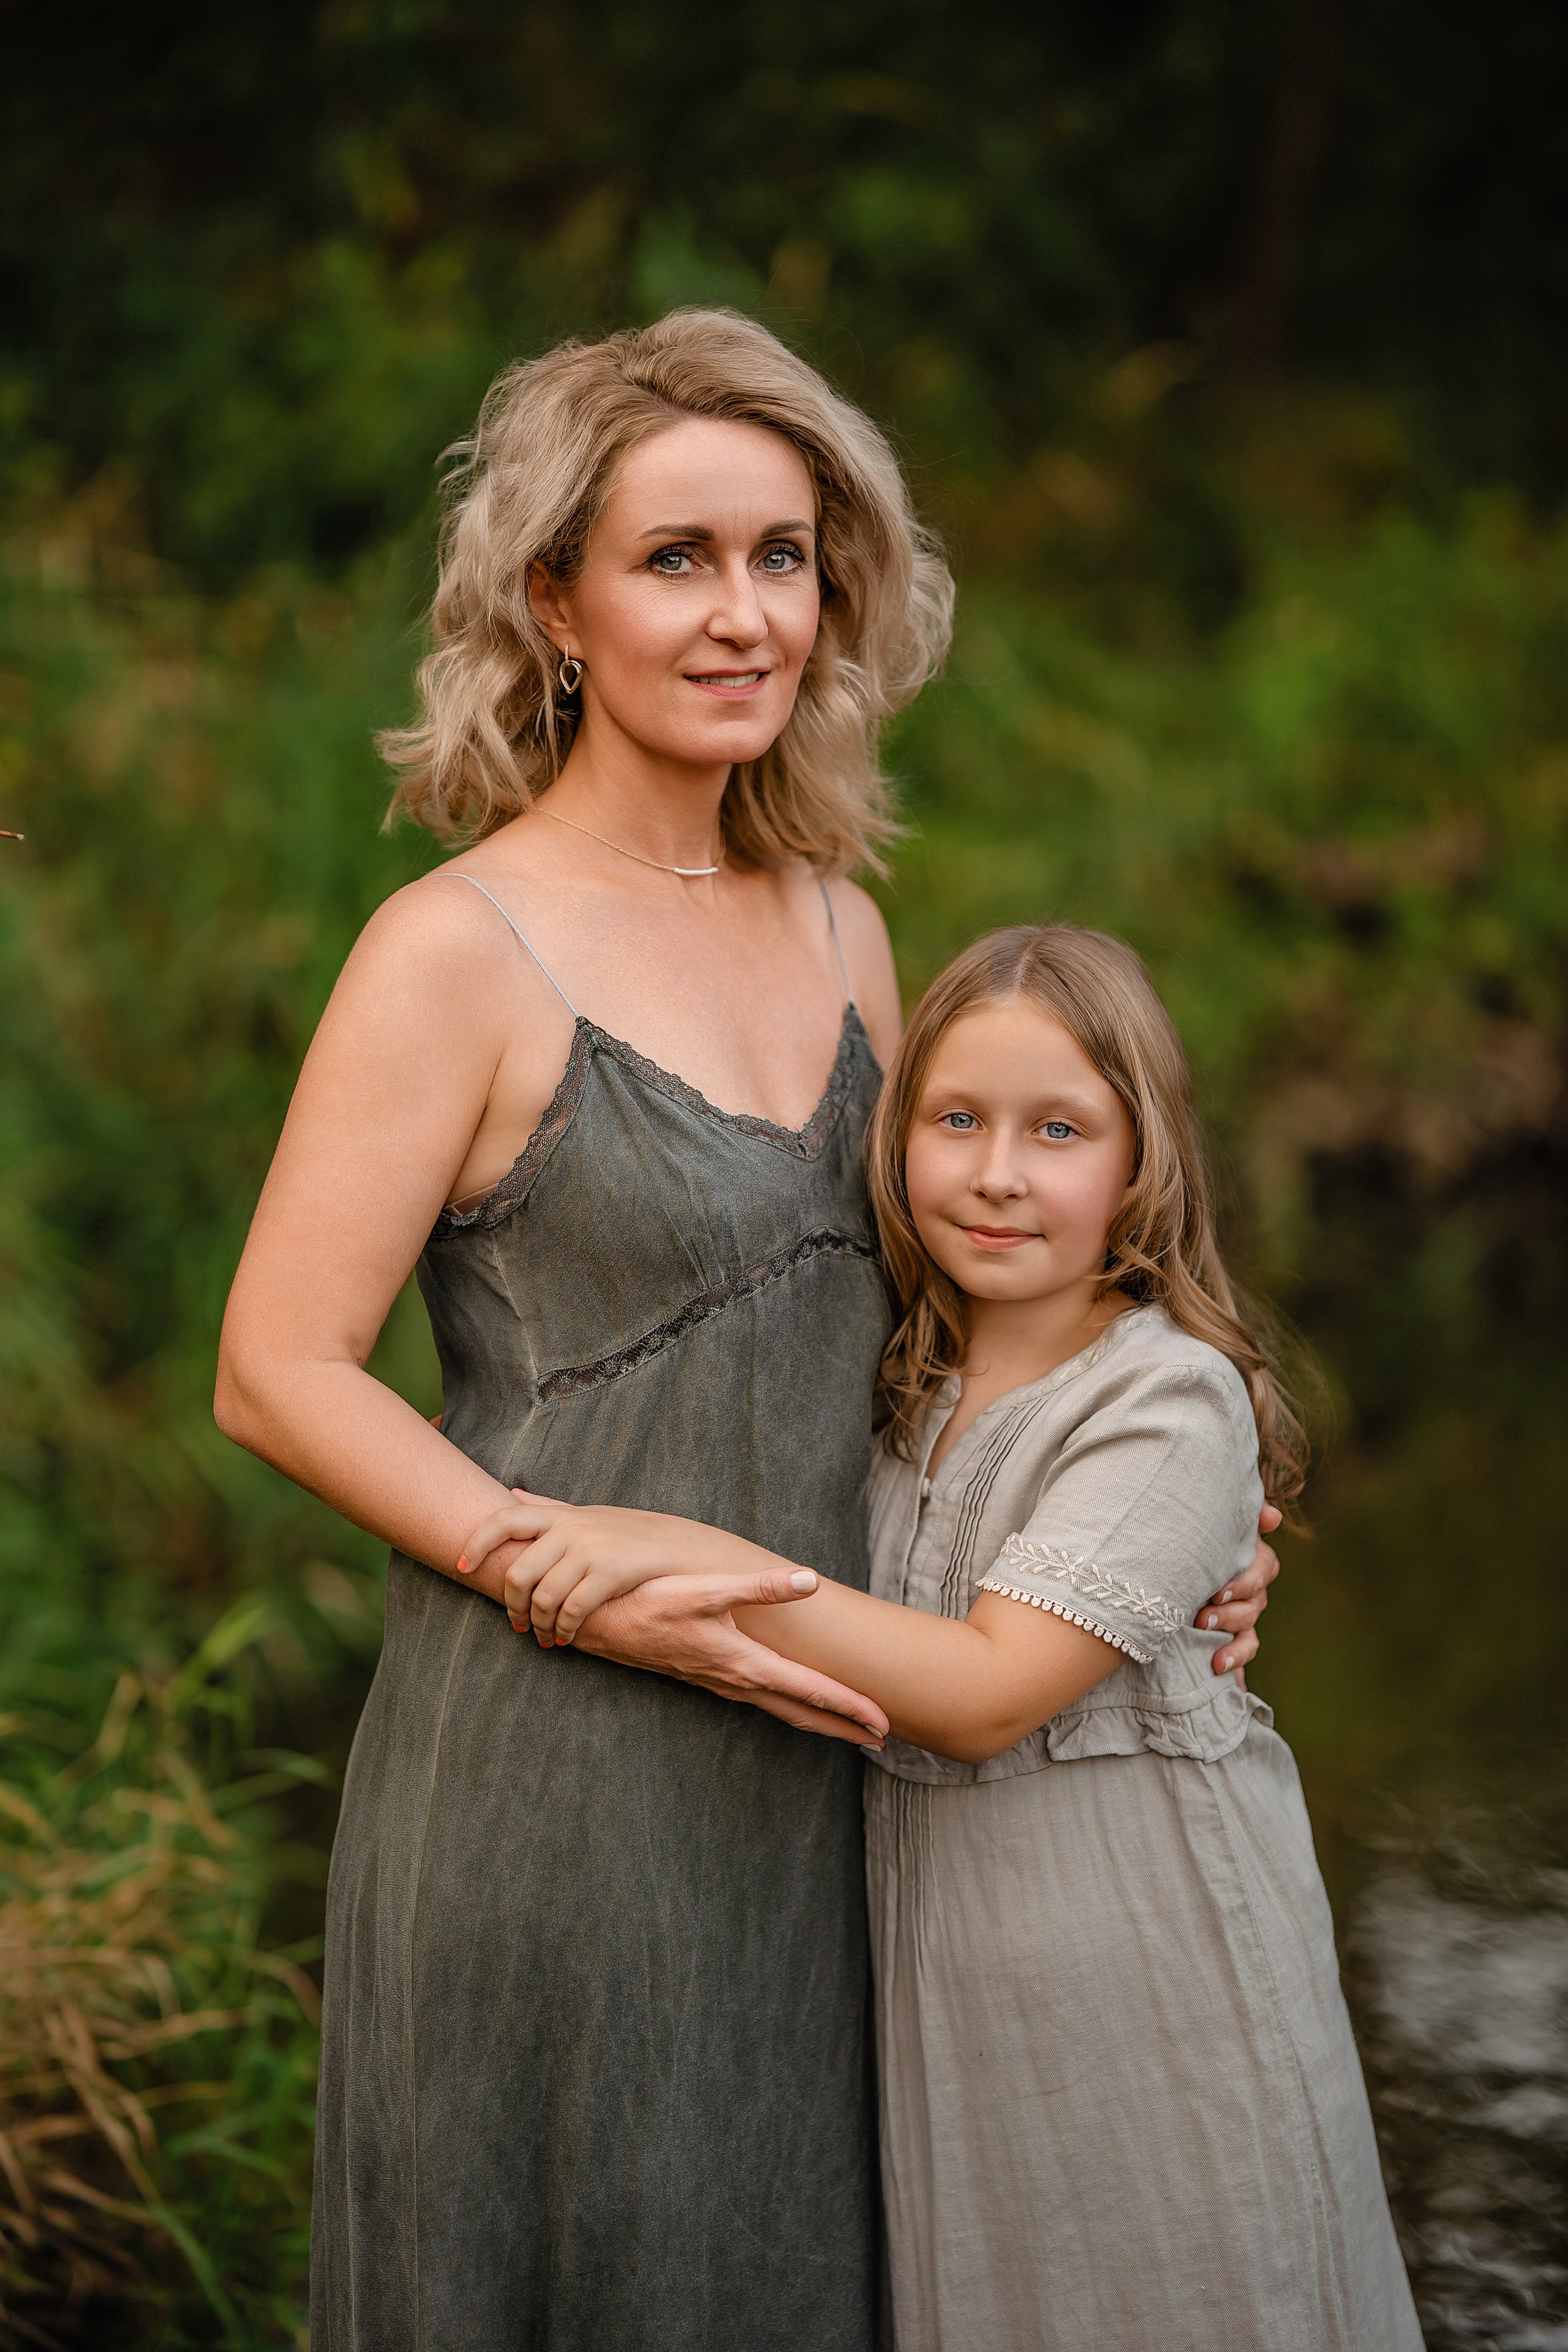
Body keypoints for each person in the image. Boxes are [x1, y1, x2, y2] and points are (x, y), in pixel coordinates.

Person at [214, 311, 1278, 2351]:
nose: (743, 616)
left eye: (782, 557)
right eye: (676, 559)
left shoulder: (842, 923)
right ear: (556, 602)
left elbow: (962, 1321)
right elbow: (273, 1369)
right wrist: (566, 1581)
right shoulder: (455, 948)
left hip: (832, 1782)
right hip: (553, 1771)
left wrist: (1165, 1532)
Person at [472, 924, 1420, 2352]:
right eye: (955, 1120)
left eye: (1057, 1131)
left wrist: (698, 1563)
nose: (995, 1174)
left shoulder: (1164, 1399)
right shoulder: (895, 1375)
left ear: (1139, 1165)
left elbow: (984, 1693)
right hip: (954, 1983)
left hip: (1142, 1971)